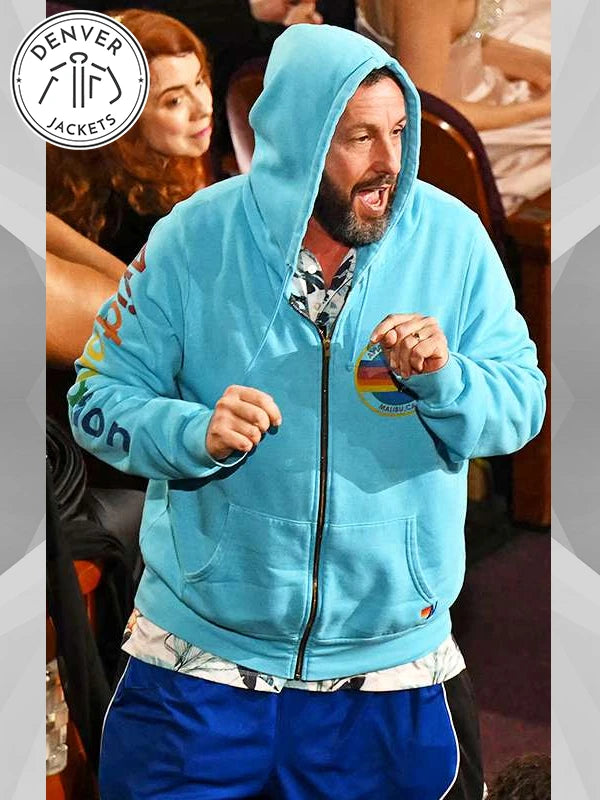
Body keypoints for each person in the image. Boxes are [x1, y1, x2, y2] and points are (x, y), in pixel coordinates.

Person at [68, 24, 546, 800]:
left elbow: (522, 408)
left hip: (391, 668)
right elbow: (95, 399)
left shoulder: (453, 241)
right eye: (360, 138)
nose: (390, 162)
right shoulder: (190, 240)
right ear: (296, 145)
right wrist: (189, 431)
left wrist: (446, 381)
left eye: (399, 132)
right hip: (199, 661)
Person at [47, 8, 213, 367]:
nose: (203, 107)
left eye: (199, 81)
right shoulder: (134, 219)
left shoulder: (165, 165)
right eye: (174, 100)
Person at [356, 0, 551, 213]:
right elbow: (426, 110)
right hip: (456, 140)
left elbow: (454, 42)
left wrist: (538, 64)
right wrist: (538, 108)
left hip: (481, 97)